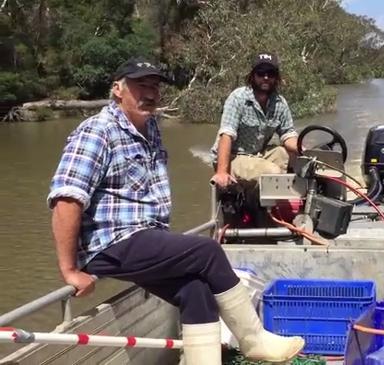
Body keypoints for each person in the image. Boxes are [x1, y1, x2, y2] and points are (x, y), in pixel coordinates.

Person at [47, 57, 304, 364]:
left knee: (196, 291)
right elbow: (67, 200)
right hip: (111, 243)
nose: (151, 94)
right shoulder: (97, 132)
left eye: (155, 87)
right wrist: (70, 270)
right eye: (141, 86)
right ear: (118, 89)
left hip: (145, 238)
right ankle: (255, 340)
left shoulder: (150, 127)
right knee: (207, 252)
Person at [210, 52, 298, 193]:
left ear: (276, 78)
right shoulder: (238, 98)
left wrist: (303, 149)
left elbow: (288, 134)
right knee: (272, 172)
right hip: (233, 156)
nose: (266, 77)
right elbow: (226, 135)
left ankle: (266, 197)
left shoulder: (280, 103)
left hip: (257, 154)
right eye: (261, 73)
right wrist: (221, 172)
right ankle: (264, 206)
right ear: (252, 75)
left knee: (285, 154)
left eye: (271, 73)